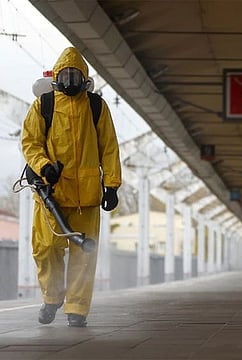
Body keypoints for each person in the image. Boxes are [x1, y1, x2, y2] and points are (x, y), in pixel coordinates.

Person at [21, 47, 122, 327]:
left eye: (74, 75)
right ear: (56, 77)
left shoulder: (97, 106)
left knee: (83, 254)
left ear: (84, 78)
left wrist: (111, 185)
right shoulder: (44, 105)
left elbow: (109, 148)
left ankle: (77, 308)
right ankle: (52, 298)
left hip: (87, 197)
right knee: (45, 248)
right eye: (65, 74)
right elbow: (30, 143)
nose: (69, 80)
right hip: (51, 193)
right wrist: (44, 167)